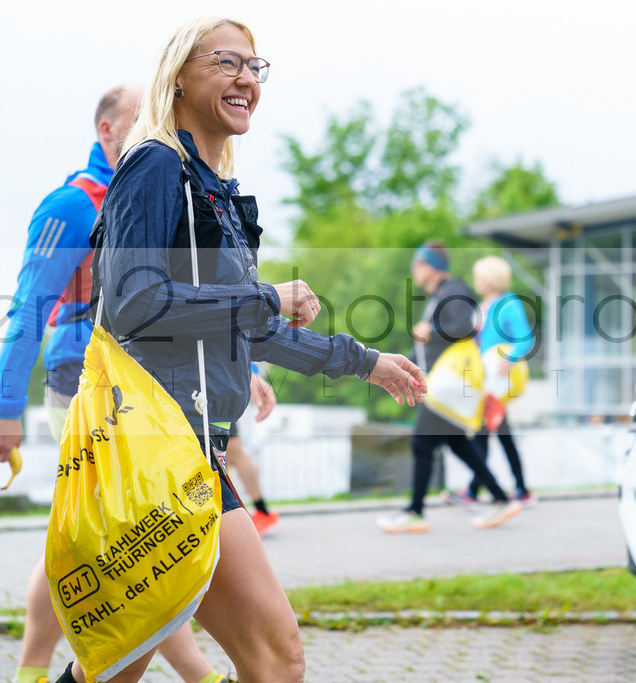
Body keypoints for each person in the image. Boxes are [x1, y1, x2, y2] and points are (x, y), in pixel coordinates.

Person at [58, 16, 427, 683]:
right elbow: (136, 302)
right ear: (178, 76)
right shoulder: (154, 165)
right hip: (153, 452)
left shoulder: (212, 189)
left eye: (256, 67)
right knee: (237, 654)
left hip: (191, 448)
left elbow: (245, 328)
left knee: (146, 660)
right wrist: (267, 297)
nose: (247, 79)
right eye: (227, 62)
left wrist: (363, 361)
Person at [0, 85, 231, 683]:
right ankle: (198, 675)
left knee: (85, 538)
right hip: (82, 382)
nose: (162, 127)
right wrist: (4, 407)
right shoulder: (71, 205)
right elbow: (28, 306)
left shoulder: (158, 195)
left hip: (146, 385)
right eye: (145, 118)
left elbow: (187, 301)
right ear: (108, 131)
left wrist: (241, 369)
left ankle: (32, 672)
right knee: (138, 533)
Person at [376, 243, 524, 535]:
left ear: (430, 265)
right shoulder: (441, 295)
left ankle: (415, 512)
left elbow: (461, 327)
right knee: (458, 444)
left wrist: (431, 331)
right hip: (443, 383)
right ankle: (501, 498)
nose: (413, 270)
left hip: (449, 384)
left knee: (422, 443)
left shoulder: (453, 290)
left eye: (416, 264)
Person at [447, 256, 536, 508]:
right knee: (499, 435)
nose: (477, 281)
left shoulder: (509, 304)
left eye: (480, 276)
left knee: (485, 432)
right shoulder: (481, 306)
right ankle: (519, 489)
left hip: (498, 381)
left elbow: (525, 340)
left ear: (491, 278)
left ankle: (475, 490)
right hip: (483, 380)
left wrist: (509, 357)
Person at [231, 364, 282, 537]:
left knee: (235, 453)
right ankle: (263, 512)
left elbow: (235, 338)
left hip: (208, 390)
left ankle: (263, 513)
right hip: (206, 386)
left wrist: (249, 370)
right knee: (234, 455)